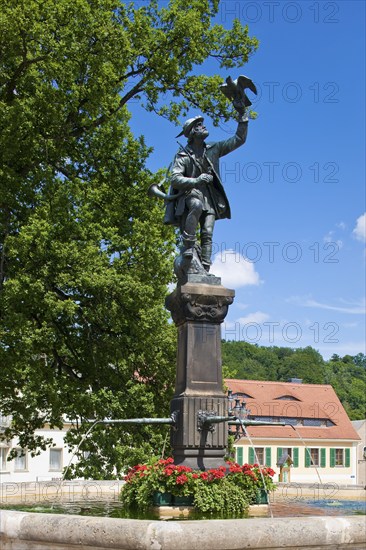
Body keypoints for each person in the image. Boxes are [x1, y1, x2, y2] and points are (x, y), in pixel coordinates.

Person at [169, 106, 249, 272]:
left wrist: (243, 115)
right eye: (198, 126)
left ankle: (205, 269)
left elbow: (239, 139)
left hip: (210, 198)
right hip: (189, 195)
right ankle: (189, 245)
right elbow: (175, 179)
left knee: (208, 232)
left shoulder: (213, 149)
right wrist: (196, 180)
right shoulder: (183, 155)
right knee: (196, 205)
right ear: (191, 132)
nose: (203, 126)